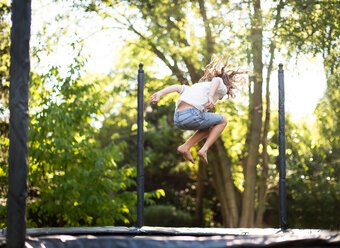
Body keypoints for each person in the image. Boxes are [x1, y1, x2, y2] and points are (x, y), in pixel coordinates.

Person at [151, 55, 248, 164]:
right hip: (190, 115)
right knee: (223, 121)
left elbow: (177, 87)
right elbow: (216, 80)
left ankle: (185, 147)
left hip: (178, 118)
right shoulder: (222, 86)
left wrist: (159, 93)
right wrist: (211, 96)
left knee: (207, 127)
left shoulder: (195, 88)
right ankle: (204, 149)